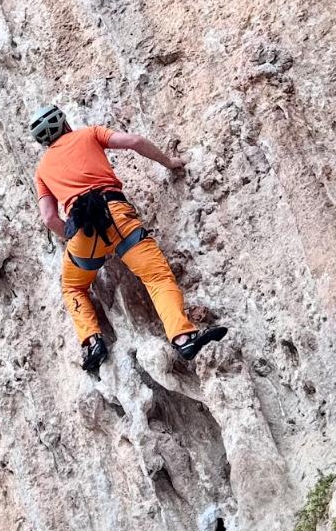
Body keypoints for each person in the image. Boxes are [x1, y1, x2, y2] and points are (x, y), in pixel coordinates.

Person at [30, 104, 227, 374]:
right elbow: (134, 141)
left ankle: (92, 341)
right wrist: (169, 163)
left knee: (73, 287)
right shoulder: (89, 134)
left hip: (83, 233)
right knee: (157, 277)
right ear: (64, 123)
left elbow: (49, 218)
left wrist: (74, 235)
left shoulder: (42, 171)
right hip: (117, 215)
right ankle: (183, 337)